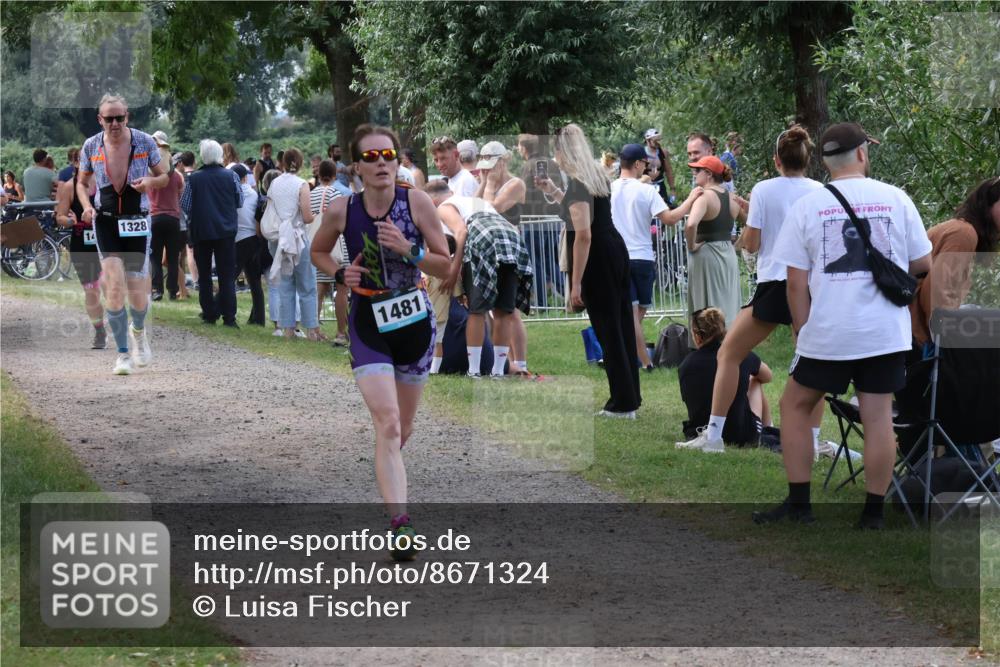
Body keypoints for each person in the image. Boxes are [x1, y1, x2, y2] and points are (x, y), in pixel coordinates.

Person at [756, 122, 932, 529]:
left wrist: (801, 328)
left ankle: (800, 505)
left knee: (794, 406)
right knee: (877, 415)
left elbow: (796, 281)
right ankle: (872, 514)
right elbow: (923, 264)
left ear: (826, 161)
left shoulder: (809, 206)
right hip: (884, 331)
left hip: (828, 330)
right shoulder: (896, 198)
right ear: (863, 154)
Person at [310, 124, 450, 559]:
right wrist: (339, 273)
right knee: (388, 423)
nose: (381, 163)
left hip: (413, 321)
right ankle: (400, 524)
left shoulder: (417, 201)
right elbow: (318, 250)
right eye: (370, 158)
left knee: (401, 430)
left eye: (387, 155)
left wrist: (409, 250)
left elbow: (445, 266)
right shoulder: (341, 210)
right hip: (368, 319)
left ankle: (388, 468)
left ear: (396, 160)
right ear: (356, 166)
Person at [682, 126, 824, 453]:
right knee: (813, 361)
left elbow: (754, 240)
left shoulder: (764, 189)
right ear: (807, 158)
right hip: (810, 283)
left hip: (775, 281)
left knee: (730, 352)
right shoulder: (819, 190)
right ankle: (813, 443)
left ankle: (714, 435)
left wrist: (745, 238)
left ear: (777, 160)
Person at [538, 123, 641, 418]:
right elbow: (576, 213)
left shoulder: (579, 183)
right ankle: (629, 396)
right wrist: (554, 191)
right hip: (614, 250)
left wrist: (576, 284)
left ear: (563, 151)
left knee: (608, 329)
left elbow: (583, 235)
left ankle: (622, 403)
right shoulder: (594, 177)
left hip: (598, 257)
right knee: (619, 323)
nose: (555, 158)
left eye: (556, 152)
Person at [77, 94, 168, 375]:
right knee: (114, 287)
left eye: (120, 117)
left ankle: (138, 332)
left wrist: (150, 182)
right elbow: (81, 183)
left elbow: (164, 176)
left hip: (137, 221)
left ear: (127, 116)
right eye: (109, 118)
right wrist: (86, 207)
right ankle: (123, 354)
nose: (115, 123)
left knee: (138, 296)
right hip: (104, 221)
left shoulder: (144, 141)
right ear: (100, 119)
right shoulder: (91, 145)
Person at [426, 181, 534, 378]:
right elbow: (508, 225)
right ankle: (498, 371)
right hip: (511, 241)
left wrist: (454, 269)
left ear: (432, 201)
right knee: (504, 310)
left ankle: (474, 370)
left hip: (483, 239)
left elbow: (461, 232)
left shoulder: (444, 206)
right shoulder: (475, 201)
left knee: (477, 309)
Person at [612, 143, 703, 370]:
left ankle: (621, 351)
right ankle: (645, 363)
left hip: (617, 256)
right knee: (635, 311)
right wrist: (691, 199)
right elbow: (670, 219)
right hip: (641, 256)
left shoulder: (608, 189)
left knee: (633, 313)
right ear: (636, 164)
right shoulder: (646, 191)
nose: (647, 166)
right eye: (644, 163)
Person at [910, 176, 1000, 346]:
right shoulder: (964, 233)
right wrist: (947, 342)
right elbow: (937, 292)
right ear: (987, 205)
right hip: (916, 336)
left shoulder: (961, 229)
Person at [676, 307, 772, 452]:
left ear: (697, 336)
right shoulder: (740, 355)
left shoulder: (686, 364)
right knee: (755, 381)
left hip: (699, 429)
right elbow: (767, 376)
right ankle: (767, 428)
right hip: (741, 434)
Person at [476, 141, 532, 373]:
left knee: (511, 311)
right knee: (494, 310)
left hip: (510, 252)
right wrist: (482, 182)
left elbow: (493, 208)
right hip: (490, 250)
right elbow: (474, 205)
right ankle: (506, 361)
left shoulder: (515, 184)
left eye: (492, 164)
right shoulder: (486, 182)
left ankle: (520, 361)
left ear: (503, 161)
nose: (488, 170)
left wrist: (488, 183)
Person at [181, 139, 243, 327]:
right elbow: (239, 201)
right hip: (226, 231)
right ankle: (229, 317)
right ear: (220, 156)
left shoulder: (194, 179)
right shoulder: (231, 176)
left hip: (202, 231)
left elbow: (185, 205)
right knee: (226, 275)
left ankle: (209, 313)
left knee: (205, 275)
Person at [684, 155, 744, 344]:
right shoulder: (733, 198)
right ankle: (730, 344)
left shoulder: (704, 196)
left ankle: (707, 346)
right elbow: (751, 222)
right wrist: (737, 245)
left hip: (707, 254)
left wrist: (691, 245)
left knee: (706, 305)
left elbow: (691, 224)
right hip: (727, 254)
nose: (694, 174)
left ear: (708, 174)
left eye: (697, 171)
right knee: (728, 302)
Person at [266, 148, 322, 340]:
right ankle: (312, 330)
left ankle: (288, 329)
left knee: (286, 285)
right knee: (307, 284)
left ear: (282, 162)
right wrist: (318, 214)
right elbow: (306, 217)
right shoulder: (302, 185)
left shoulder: (273, 183)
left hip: (278, 238)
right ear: (299, 163)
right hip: (297, 238)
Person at [54, 160, 106, 349]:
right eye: (80, 160)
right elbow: (59, 216)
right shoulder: (69, 186)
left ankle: (121, 324)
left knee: (112, 288)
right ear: (75, 164)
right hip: (82, 246)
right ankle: (99, 330)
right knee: (92, 292)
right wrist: (69, 221)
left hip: (108, 242)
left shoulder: (105, 181)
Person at [308, 159, 345, 342]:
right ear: (335, 174)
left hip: (316, 243)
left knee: (319, 288)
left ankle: (313, 330)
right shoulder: (337, 193)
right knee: (341, 287)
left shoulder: (312, 194)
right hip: (337, 244)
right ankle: (340, 332)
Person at [148, 144, 186, 301]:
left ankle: (157, 289)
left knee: (155, 256)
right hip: (173, 219)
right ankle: (172, 290)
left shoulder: (150, 175)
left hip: (155, 217)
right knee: (172, 257)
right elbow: (180, 195)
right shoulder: (177, 176)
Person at [232, 163, 265, 326]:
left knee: (229, 278)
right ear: (245, 177)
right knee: (255, 281)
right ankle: (258, 318)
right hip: (254, 239)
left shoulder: (232, 192)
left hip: (239, 239)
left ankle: (219, 309)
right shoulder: (253, 193)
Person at [643, 128, 676, 204]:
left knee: (666, 207)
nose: (658, 143)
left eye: (658, 140)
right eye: (655, 141)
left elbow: (669, 171)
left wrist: (672, 189)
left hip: (660, 185)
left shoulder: (663, 152)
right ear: (648, 140)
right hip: (645, 186)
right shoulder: (642, 153)